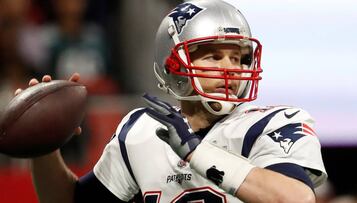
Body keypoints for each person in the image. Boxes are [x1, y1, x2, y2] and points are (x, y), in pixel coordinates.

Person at [23, 0, 327, 202]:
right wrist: (43, 145)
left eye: (237, 57)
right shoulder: (141, 130)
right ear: (173, 64)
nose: (230, 68)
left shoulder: (274, 123)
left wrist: (198, 153)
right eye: (213, 55)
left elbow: (296, 199)